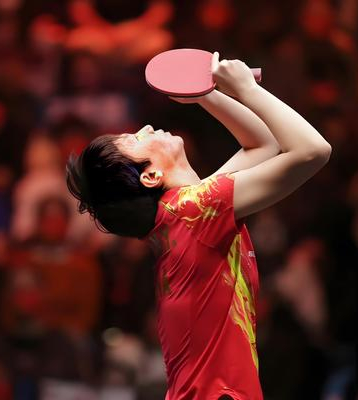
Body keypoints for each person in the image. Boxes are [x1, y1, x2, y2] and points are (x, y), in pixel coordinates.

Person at [66, 52, 331, 399]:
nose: (145, 129)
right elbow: (313, 150)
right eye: (134, 140)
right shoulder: (194, 211)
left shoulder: (184, 216)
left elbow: (263, 145)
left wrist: (204, 93)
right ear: (150, 176)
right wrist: (247, 90)